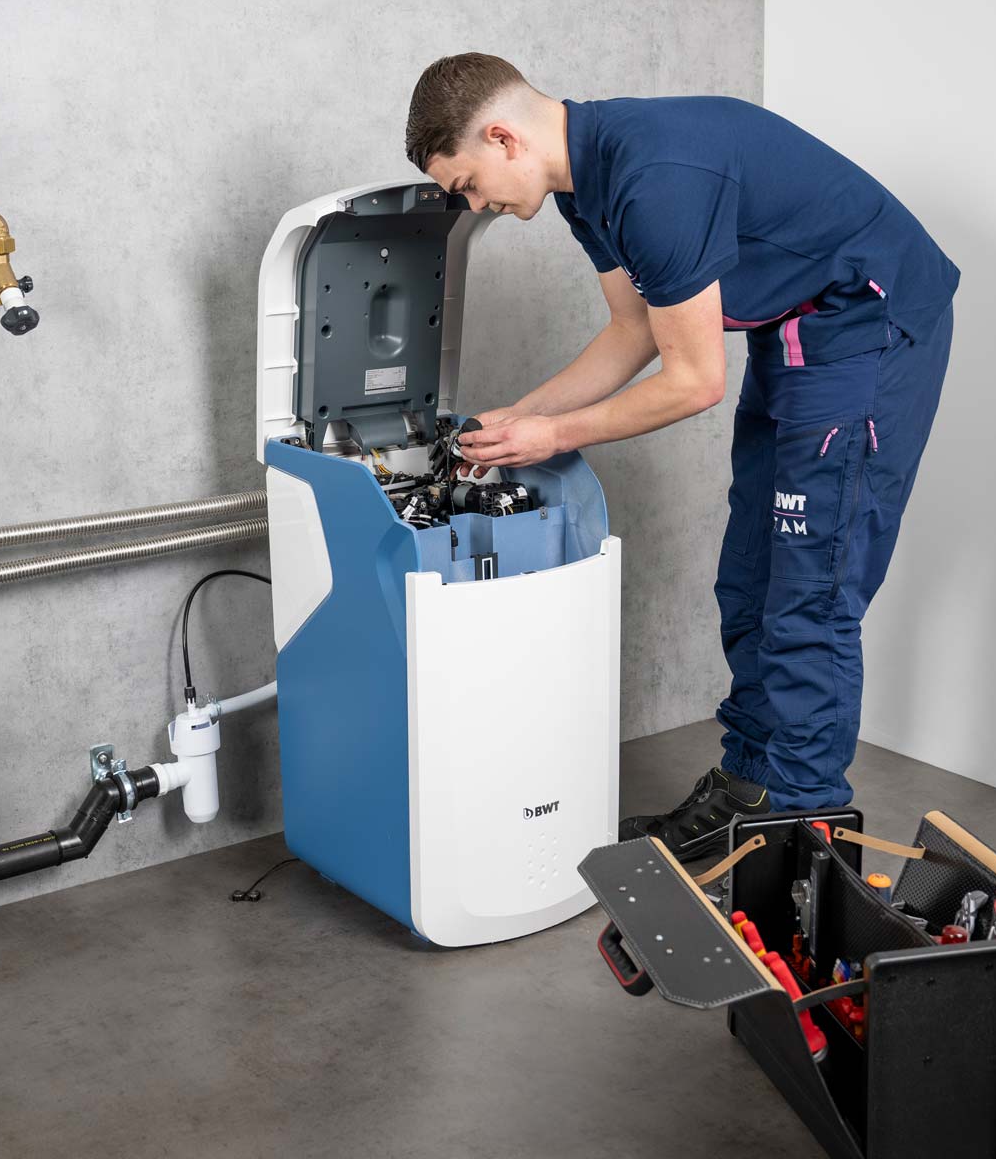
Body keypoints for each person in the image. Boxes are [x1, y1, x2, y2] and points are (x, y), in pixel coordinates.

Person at [405, 53, 958, 859]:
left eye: (467, 185)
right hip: (799, 330)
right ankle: (747, 788)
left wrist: (553, 437)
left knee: (811, 593)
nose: (475, 205)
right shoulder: (583, 191)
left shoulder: (651, 181)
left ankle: (801, 835)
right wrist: (518, 418)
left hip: (870, 328)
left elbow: (694, 381)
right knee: (750, 578)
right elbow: (634, 334)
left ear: (502, 136)